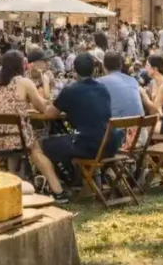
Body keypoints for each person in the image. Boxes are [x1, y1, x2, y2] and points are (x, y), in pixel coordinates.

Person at [0, 50, 69, 203]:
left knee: (19, 141)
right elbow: (43, 108)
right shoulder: (23, 82)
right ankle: (58, 191)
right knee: (36, 151)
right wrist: (44, 84)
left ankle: (13, 188)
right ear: (20, 65)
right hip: (16, 138)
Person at [40, 53, 122, 182]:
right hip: (110, 144)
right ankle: (78, 178)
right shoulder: (102, 88)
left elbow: (49, 114)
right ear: (94, 69)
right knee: (66, 139)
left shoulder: (70, 91)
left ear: (74, 70)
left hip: (89, 146)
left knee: (42, 145)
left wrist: (45, 85)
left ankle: (58, 182)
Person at [98, 51, 149, 119]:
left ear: (103, 66)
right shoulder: (133, 80)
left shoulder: (99, 82)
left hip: (116, 127)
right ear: (121, 65)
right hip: (139, 126)